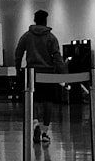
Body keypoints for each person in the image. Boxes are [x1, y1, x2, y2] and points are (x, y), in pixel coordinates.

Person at [14, 9, 64, 143]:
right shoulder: (51, 38)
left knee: (33, 100)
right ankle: (45, 132)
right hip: (48, 74)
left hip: (31, 74)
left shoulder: (26, 36)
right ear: (45, 20)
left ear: (34, 20)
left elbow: (18, 53)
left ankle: (35, 123)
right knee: (48, 101)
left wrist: (18, 69)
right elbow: (57, 57)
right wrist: (63, 74)